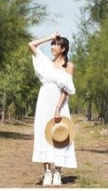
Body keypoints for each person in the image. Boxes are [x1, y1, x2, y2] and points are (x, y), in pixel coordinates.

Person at [29, 32, 77, 186]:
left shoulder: (69, 66)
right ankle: (47, 173)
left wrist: (58, 107)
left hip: (59, 102)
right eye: (52, 44)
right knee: (44, 133)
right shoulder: (45, 63)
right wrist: (50, 37)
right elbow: (31, 45)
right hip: (44, 100)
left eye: (56, 44)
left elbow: (66, 89)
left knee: (60, 136)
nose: (52, 47)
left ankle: (58, 173)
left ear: (63, 48)